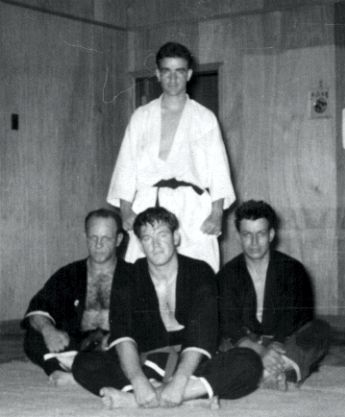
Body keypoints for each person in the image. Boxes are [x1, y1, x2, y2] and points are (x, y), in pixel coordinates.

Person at [72, 207, 262, 408]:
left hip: (193, 364)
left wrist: (179, 383)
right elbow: (123, 334)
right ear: (141, 245)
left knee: (249, 362)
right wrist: (138, 380)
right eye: (147, 238)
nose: (155, 245)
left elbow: (203, 332)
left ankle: (138, 399)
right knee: (84, 362)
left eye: (162, 235)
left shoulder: (199, 271)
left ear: (176, 237)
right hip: (145, 363)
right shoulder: (129, 276)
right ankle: (184, 395)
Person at [106, 41, 235, 272]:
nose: (173, 79)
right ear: (157, 74)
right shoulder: (141, 117)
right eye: (167, 71)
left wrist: (216, 215)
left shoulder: (205, 118)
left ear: (189, 74)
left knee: (199, 272)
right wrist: (126, 211)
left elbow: (219, 170)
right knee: (142, 272)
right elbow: (126, 166)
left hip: (194, 209)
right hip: (148, 204)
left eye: (180, 71)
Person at [217, 200, 330, 390]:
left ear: (271, 234)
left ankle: (268, 370)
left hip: (284, 341)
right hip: (246, 341)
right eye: (247, 235)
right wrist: (259, 349)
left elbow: (298, 316)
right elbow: (228, 322)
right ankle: (280, 371)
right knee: (216, 336)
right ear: (239, 236)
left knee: (319, 330)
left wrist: (276, 343)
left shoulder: (293, 269)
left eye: (260, 234)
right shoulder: (227, 274)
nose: (254, 243)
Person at [21, 208, 132, 386]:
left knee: (133, 347)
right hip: (75, 344)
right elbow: (38, 307)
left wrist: (115, 337)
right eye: (93, 237)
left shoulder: (133, 274)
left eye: (106, 238)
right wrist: (48, 331)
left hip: (114, 345)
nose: (98, 244)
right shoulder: (69, 273)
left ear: (118, 240)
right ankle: (58, 370)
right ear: (85, 237)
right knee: (34, 335)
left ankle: (75, 371)